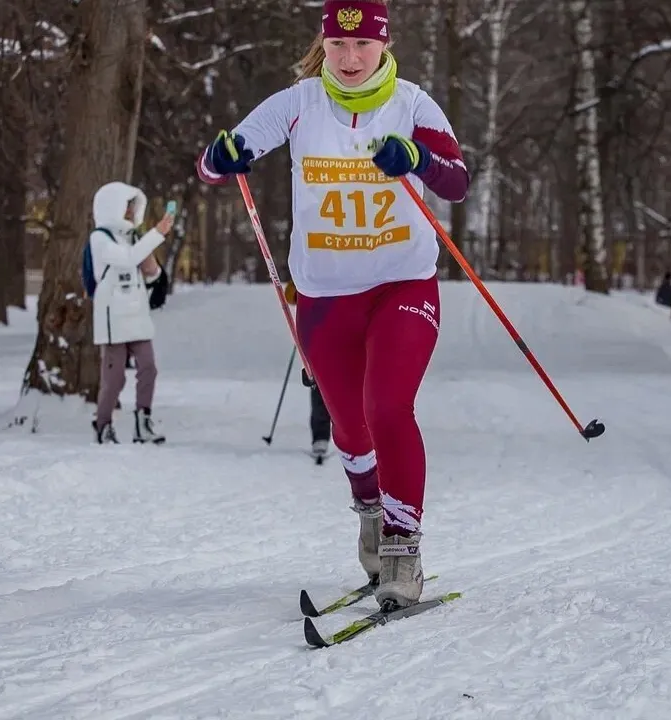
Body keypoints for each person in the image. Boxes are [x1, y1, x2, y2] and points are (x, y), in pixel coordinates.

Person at [196, 0, 469, 610]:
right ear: (324, 43)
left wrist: (418, 158)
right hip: (325, 296)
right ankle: (370, 511)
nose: (349, 58)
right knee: (349, 427)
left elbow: (456, 180)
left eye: (362, 44)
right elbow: (220, 160)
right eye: (338, 45)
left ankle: (402, 548)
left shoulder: (414, 105)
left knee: (387, 407)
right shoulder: (299, 102)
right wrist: (221, 157)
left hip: (402, 284)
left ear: (384, 43)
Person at [90, 181, 174, 445]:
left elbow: (146, 268)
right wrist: (157, 233)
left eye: (132, 207)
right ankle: (103, 424)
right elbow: (125, 258)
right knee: (114, 378)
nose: (129, 212)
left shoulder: (133, 237)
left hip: (137, 314)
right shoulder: (99, 239)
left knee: (148, 368)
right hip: (113, 317)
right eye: (125, 206)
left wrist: (155, 272)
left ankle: (143, 421)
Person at [283, 280, 334, 461]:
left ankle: (359, 440)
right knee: (318, 386)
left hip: (345, 330)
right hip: (316, 334)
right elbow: (290, 296)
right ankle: (320, 438)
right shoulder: (308, 268)